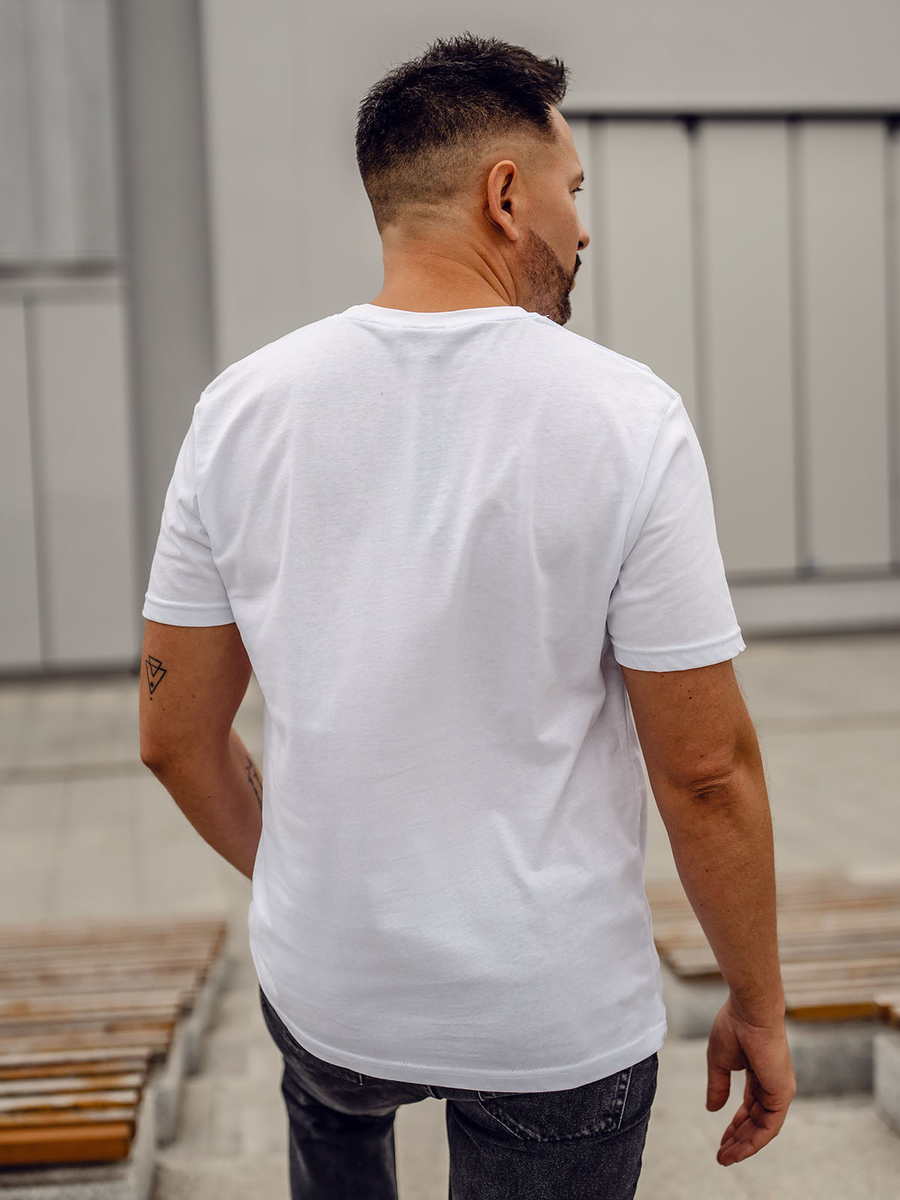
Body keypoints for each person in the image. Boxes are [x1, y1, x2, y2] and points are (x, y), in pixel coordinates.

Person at [139, 32, 795, 1200]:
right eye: (572, 190)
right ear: (505, 195)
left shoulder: (241, 411)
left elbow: (171, 736)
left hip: (330, 989)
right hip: (548, 1015)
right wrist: (758, 1002)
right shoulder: (625, 419)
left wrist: (310, 883)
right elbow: (705, 773)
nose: (583, 228)